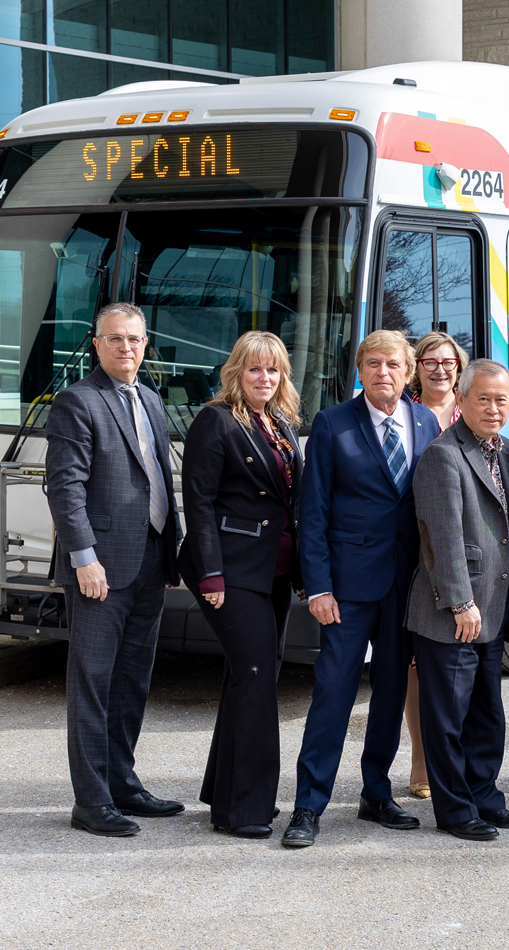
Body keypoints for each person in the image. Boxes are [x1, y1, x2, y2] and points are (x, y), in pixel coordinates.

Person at [283, 330, 439, 847]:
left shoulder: (426, 420)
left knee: (392, 693)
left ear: (408, 369)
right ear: (360, 370)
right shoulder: (331, 424)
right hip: (347, 587)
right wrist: (318, 587)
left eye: (392, 364)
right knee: (333, 693)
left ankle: (376, 792)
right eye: (372, 363)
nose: (383, 373)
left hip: (406, 586)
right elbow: (313, 513)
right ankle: (309, 804)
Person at [43, 301, 185, 837]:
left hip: (150, 561)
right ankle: (92, 801)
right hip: (100, 567)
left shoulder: (150, 400)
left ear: (146, 345)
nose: (127, 348)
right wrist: (84, 559)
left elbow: (155, 481)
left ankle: (123, 783)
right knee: (93, 684)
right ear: (96, 344)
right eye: (116, 339)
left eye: (135, 339)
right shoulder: (78, 402)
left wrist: (170, 552)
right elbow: (64, 487)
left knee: (132, 682)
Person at [178, 331, 304, 839]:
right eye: (255, 370)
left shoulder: (279, 423)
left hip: (271, 571)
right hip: (229, 570)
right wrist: (209, 573)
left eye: (273, 371)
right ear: (236, 372)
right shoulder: (216, 420)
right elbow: (199, 500)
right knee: (255, 677)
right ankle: (244, 810)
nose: (265, 379)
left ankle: (224, 791)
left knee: (253, 673)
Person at [405, 359, 509, 841]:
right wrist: (460, 602)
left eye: (502, 399)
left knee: (487, 714)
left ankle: (485, 797)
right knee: (448, 719)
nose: (494, 408)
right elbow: (441, 536)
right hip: (454, 612)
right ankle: (455, 810)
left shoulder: (502, 452)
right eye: (484, 398)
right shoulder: (444, 454)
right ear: (461, 401)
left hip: (493, 608)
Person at [403, 331, 470, 801]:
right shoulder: (405, 414)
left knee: (460, 662)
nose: (440, 368)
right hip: (412, 547)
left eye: (449, 361)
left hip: (466, 552)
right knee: (416, 662)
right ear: (417, 367)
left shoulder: (476, 410)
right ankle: (421, 757)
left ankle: (456, 757)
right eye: (430, 361)